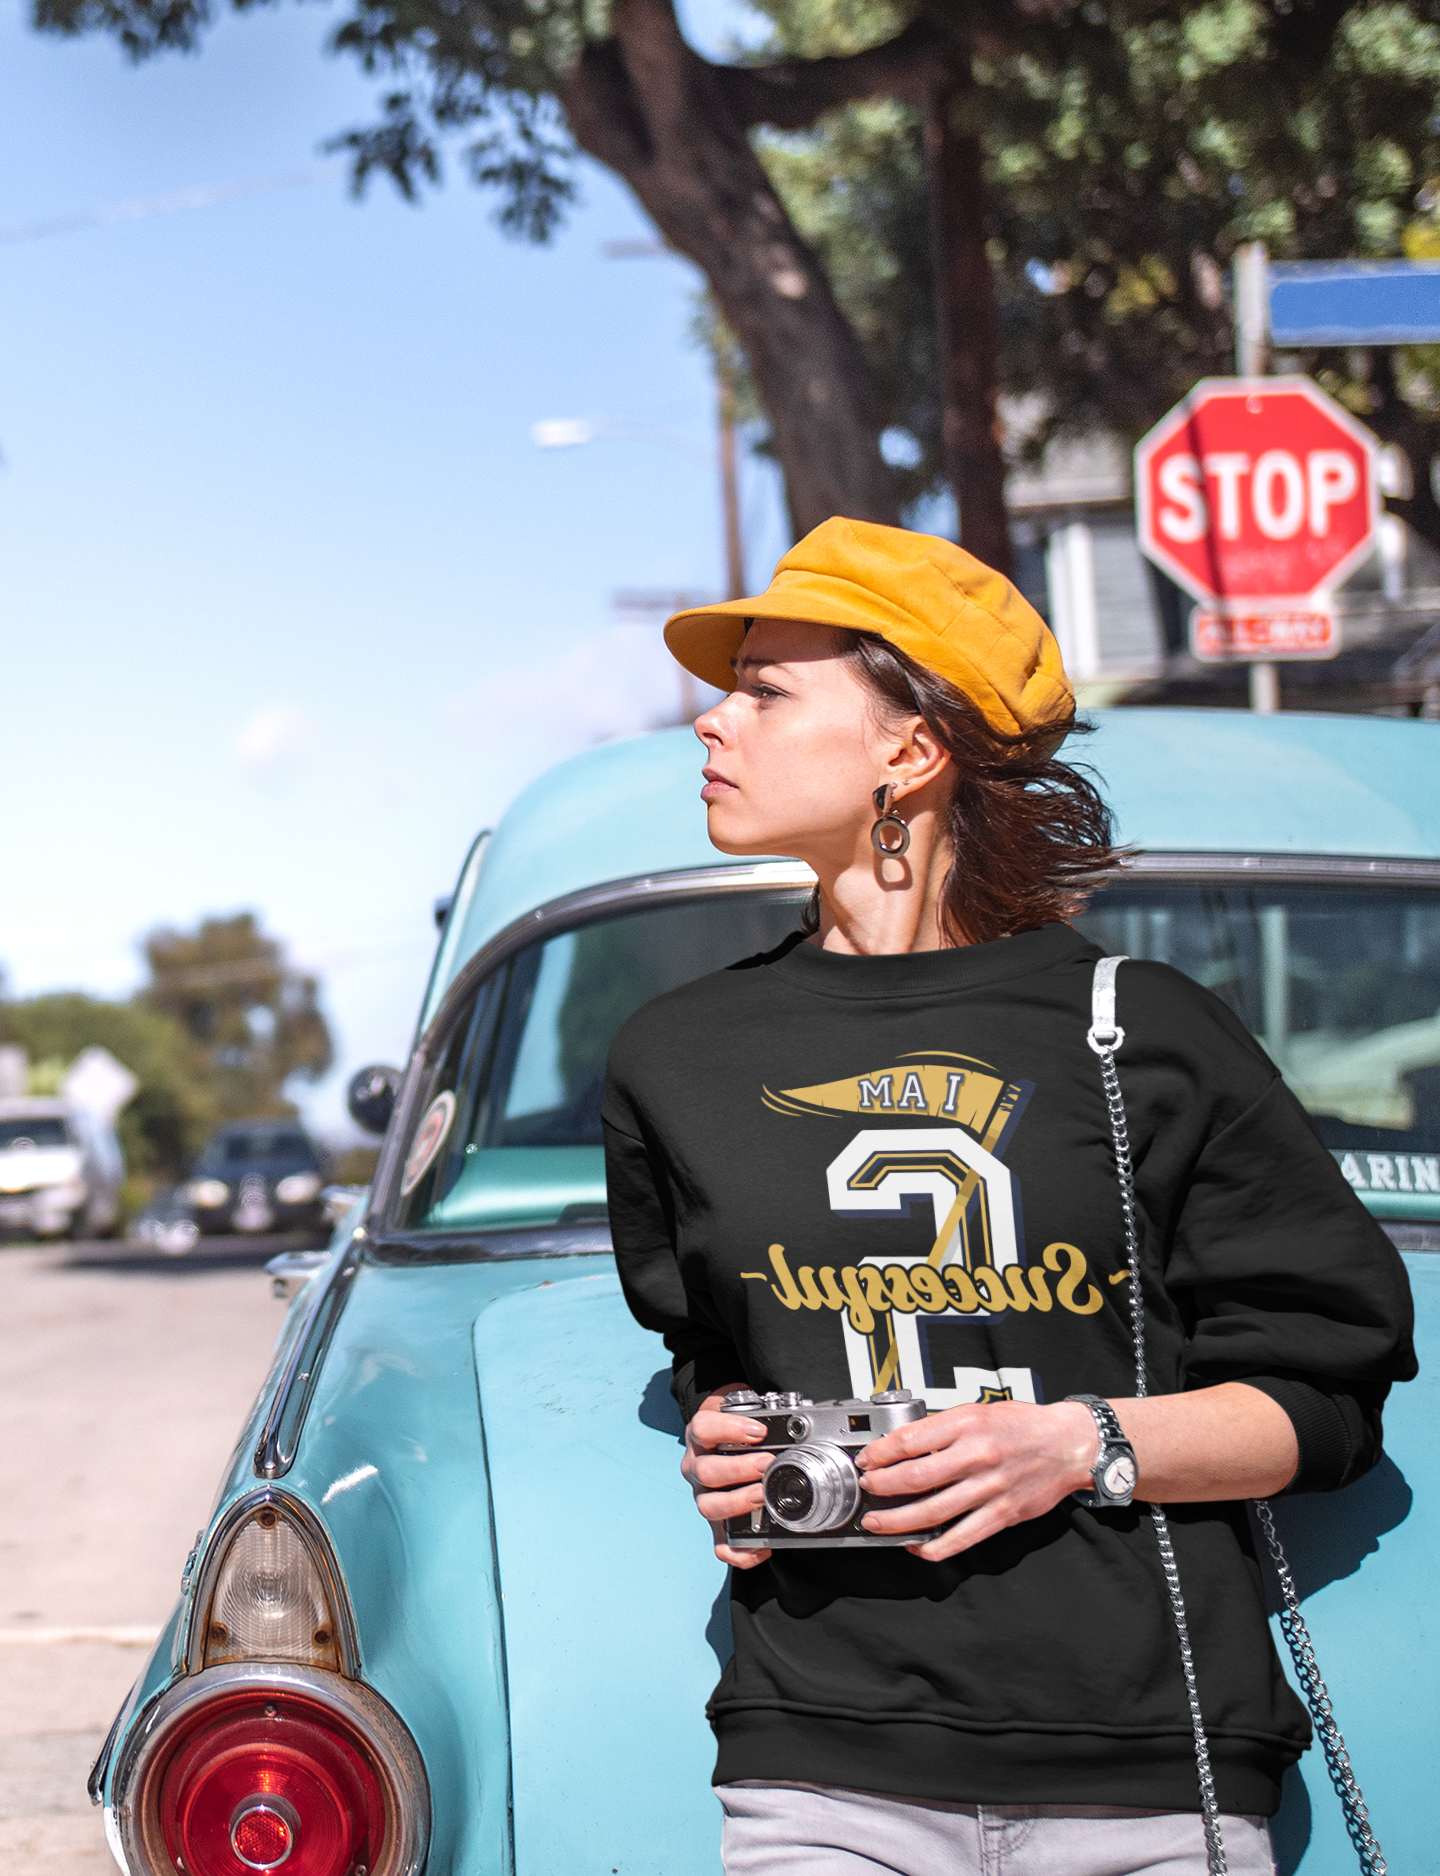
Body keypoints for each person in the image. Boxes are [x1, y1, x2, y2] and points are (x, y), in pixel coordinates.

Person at [599, 515, 1417, 1876]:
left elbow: (1323, 1399)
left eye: (764, 691)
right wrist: (727, 1433)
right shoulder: (676, 1057)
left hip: (1151, 1772)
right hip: (821, 1758)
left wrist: (1077, 1444)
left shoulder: (1141, 1030)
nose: (710, 723)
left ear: (908, 752)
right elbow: (714, 1354)